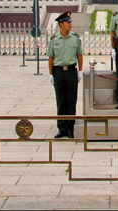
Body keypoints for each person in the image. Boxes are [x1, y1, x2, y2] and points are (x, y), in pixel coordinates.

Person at [48, 11, 83, 139]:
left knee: (71, 101)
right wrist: (51, 74)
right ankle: (61, 128)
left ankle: (70, 128)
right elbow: (51, 57)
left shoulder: (75, 38)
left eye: (70, 22)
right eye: (68, 22)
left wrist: (80, 71)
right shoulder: (54, 39)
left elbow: (79, 54)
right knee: (61, 100)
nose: (70, 24)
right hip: (58, 72)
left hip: (71, 72)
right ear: (61, 24)